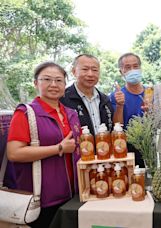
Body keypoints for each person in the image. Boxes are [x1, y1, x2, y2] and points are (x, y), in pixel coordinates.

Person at [7, 62, 81, 228]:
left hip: (73, 195)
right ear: (36, 83)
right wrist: (58, 148)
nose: (53, 85)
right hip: (42, 198)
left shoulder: (71, 114)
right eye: (47, 79)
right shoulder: (25, 113)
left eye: (59, 80)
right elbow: (14, 153)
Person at [61, 54, 122, 136]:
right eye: (85, 69)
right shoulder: (63, 98)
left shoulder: (105, 100)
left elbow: (115, 127)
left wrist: (120, 106)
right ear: (74, 71)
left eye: (95, 70)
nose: (90, 74)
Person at [109, 52, 145, 167]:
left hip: (149, 146)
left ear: (140, 68)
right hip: (127, 149)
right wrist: (120, 105)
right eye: (128, 67)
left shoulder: (151, 93)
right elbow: (117, 126)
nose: (132, 70)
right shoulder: (116, 96)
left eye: (135, 66)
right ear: (121, 72)